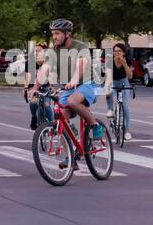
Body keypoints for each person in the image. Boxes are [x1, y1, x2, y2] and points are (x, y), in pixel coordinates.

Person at [45, 18, 106, 162]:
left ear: (67, 34)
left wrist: (73, 80)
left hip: (88, 83)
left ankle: (94, 125)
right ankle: (70, 156)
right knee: (60, 116)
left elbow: (82, 64)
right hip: (70, 87)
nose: (54, 37)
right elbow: (45, 69)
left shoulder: (80, 46)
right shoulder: (54, 51)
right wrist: (33, 87)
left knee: (73, 100)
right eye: (53, 34)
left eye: (57, 33)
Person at [109, 42, 134, 141]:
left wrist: (124, 64)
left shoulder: (127, 61)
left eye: (119, 51)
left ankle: (127, 130)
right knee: (109, 97)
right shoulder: (109, 61)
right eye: (115, 51)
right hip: (113, 82)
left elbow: (130, 76)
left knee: (125, 105)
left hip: (124, 82)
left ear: (123, 52)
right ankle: (112, 117)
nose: (117, 53)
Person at [23, 45, 52, 129]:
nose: (36, 52)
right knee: (33, 102)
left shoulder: (47, 63)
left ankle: (52, 124)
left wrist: (53, 88)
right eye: (35, 51)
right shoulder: (30, 63)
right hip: (33, 87)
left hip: (46, 87)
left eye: (39, 51)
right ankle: (34, 117)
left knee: (46, 105)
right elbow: (27, 77)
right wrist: (25, 89)